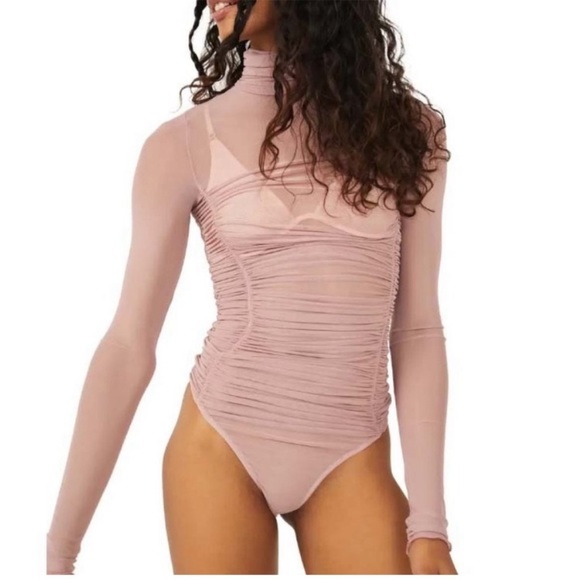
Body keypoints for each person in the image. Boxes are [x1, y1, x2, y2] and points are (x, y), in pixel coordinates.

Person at [46, 0, 458, 575]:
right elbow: (128, 345)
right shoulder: (182, 143)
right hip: (221, 443)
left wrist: (430, 525)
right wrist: (61, 550)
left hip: (354, 452)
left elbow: (416, 330)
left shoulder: (410, 133)